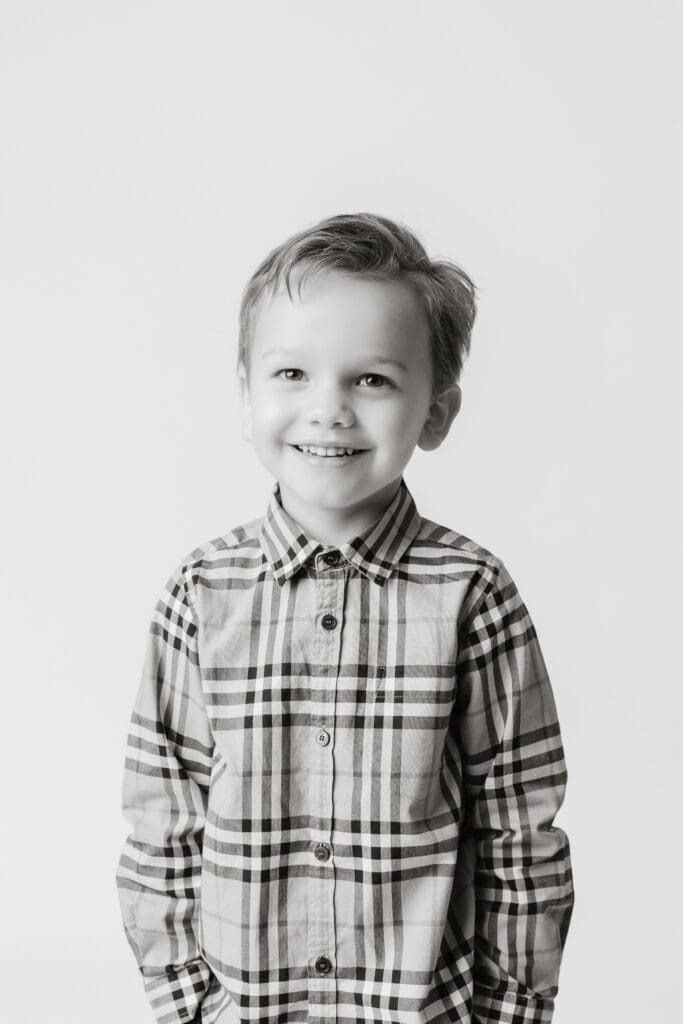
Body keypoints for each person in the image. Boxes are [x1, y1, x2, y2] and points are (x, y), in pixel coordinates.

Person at [115, 212, 574, 1024]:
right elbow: (163, 822)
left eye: (371, 379)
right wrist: (188, 1002)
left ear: (435, 412)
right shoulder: (201, 590)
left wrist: (510, 1009)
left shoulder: (471, 592)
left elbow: (519, 830)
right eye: (291, 373)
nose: (328, 409)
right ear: (245, 394)